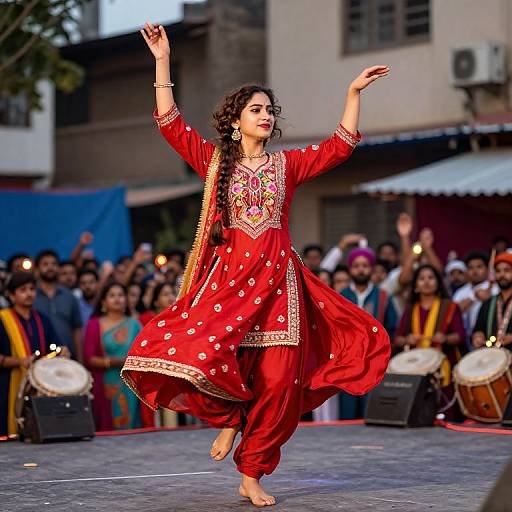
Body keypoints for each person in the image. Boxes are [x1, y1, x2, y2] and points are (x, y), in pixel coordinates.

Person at [121, 22, 390, 508]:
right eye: (256, 109)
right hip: (227, 288)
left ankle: (252, 470)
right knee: (203, 357)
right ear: (234, 122)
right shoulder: (214, 164)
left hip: (279, 289)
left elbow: (340, 146)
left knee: (281, 381)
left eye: (270, 110)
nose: (266, 116)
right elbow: (170, 123)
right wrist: (163, 60)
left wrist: (352, 92)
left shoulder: (287, 166)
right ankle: (229, 418)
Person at [394, 264, 466, 420]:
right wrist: (408, 339)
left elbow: (460, 336)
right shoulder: (411, 309)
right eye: (421, 279)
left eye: (431, 278)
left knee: (445, 414)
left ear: (438, 283)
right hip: (416, 367)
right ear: (416, 286)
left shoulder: (450, 307)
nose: (426, 282)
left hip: (443, 365)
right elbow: (397, 339)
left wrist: (445, 338)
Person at [0, 272, 66, 436]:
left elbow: (56, 346)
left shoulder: (42, 319)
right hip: (7, 385)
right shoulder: (2, 319)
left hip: (39, 385)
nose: (29, 293)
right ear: (11, 295)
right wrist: (19, 361)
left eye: (32, 289)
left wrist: (62, 351)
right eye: (23, 290)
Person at [339, 247, 397, 419]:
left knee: (371, 409)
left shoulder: (383, 297)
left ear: (371, 268)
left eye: (365, 265)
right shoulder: (341, 296)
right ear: (350, 269)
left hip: (374, 361)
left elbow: (392, 327)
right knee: (348, 411)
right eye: (356, 266)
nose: (361, 269)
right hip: (347, 362)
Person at [84, 282, 143, 430]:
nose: (117, 299)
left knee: (131, 425)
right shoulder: (94, 325)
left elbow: (144, 354)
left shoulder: (135, 324)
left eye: (121, 295)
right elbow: (89, 358)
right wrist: (112, 362)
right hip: (105, 382)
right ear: (104, 302)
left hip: (131, 382)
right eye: (112, 295)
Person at [33, 250, 83, 361]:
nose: (50, 267)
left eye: (54, 264)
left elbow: (77, 330)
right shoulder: (32, 296)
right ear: (37, 269)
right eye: (45, 264)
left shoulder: (69, 296)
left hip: (67, 357)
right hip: (39, 358)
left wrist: (80, 359)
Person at [452, 252, 499, 350]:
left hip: (491, 339)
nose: (475, 271)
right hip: (465, 342)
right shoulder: (461, 292)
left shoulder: (495, 289)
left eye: (479, 267)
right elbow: (452, 313)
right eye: (470, 268)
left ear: (487, 269)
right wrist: (474, 297)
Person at [472, 252, 512, 350]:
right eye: (498, 271)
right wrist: (478, 336)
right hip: (493, 358)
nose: (502, 275)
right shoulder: (488, 303)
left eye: (507, 270)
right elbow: (478, 329)